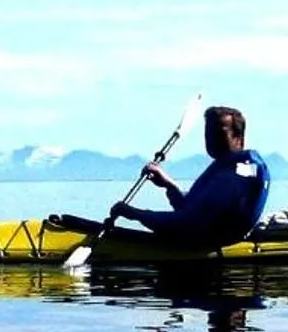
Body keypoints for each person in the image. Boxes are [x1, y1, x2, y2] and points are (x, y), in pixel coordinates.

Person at [110, 105, 269, 249]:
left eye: (218, 133)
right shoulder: (225, 165)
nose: (211, 139)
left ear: (238, 137)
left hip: (212, 242)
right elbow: (196, 209)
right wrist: (169, 185)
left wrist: (137, 214)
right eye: (208, 133)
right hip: (202, 234)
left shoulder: (242, 172)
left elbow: (190, 223)